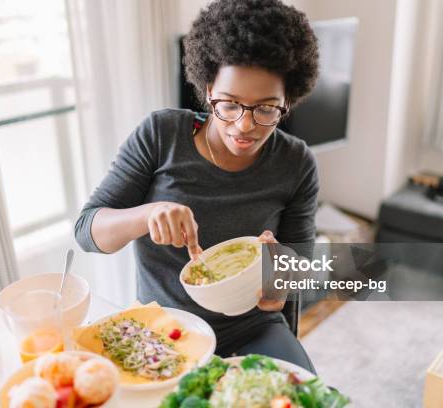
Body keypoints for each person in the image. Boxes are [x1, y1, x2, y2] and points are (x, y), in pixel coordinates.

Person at [74, 0, 319, 373]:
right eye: (230, 104)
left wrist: (277, 282)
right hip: (168, 333)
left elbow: (298, 266)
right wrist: (149, 213)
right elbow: (88, 232)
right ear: (208, 89)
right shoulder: (161, 136)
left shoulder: (296, 162)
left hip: (252, 329)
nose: (244, 126)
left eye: (267, 108)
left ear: (288, 101)